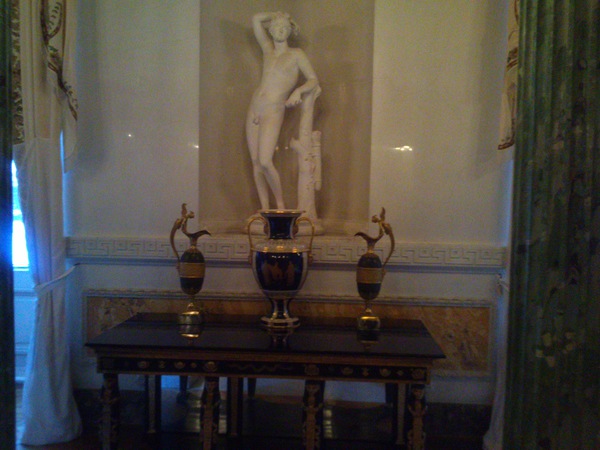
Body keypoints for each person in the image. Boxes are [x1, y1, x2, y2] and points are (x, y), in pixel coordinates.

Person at [246, 12, 320, 210]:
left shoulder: (296, 54)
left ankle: (280, 206)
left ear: (290, 31)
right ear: (271, 30)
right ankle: (264, 209)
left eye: (285, 27)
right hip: (255, 108)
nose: (281, 30)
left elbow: (313, 79)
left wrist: (298, 91)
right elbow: (256, 19)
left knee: (265, 160)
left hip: (273, 109)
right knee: (255, 162)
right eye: (277, 26)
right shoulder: (267, 49)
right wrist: (277, 15)